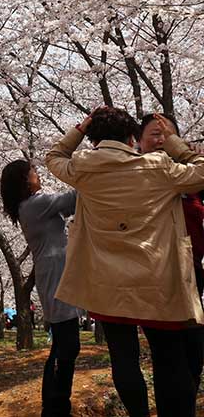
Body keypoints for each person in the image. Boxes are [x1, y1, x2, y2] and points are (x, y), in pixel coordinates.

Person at [46, 107, 204, 417]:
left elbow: (53, 156)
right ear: (133, 138)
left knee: (123, 359)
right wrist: (174, 143)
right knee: (169, 357)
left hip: (107, 284)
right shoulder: (157, 168)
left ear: (92, 140)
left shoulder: (82, 170)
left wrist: (81, 127)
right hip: (155, 279)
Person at [0, 159, 81, 417]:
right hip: (56, 276)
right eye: (34, 171)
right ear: (25, 179)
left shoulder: (29, 206)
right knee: (66, 344)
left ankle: (55, 405)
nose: (38, 174)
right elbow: (73, 200)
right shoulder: (36, 203)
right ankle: (56, 406)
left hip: (54, 275)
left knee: (63, 343)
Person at [140, 113, 204, 403]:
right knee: (169, 357)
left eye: (168, 133)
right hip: (156, 276)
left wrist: (186, 156)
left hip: (191, 275)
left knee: (193, 354)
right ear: (138, 142)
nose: (162, 139)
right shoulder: (138, 174)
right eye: (154, 133)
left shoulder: (189, 178)